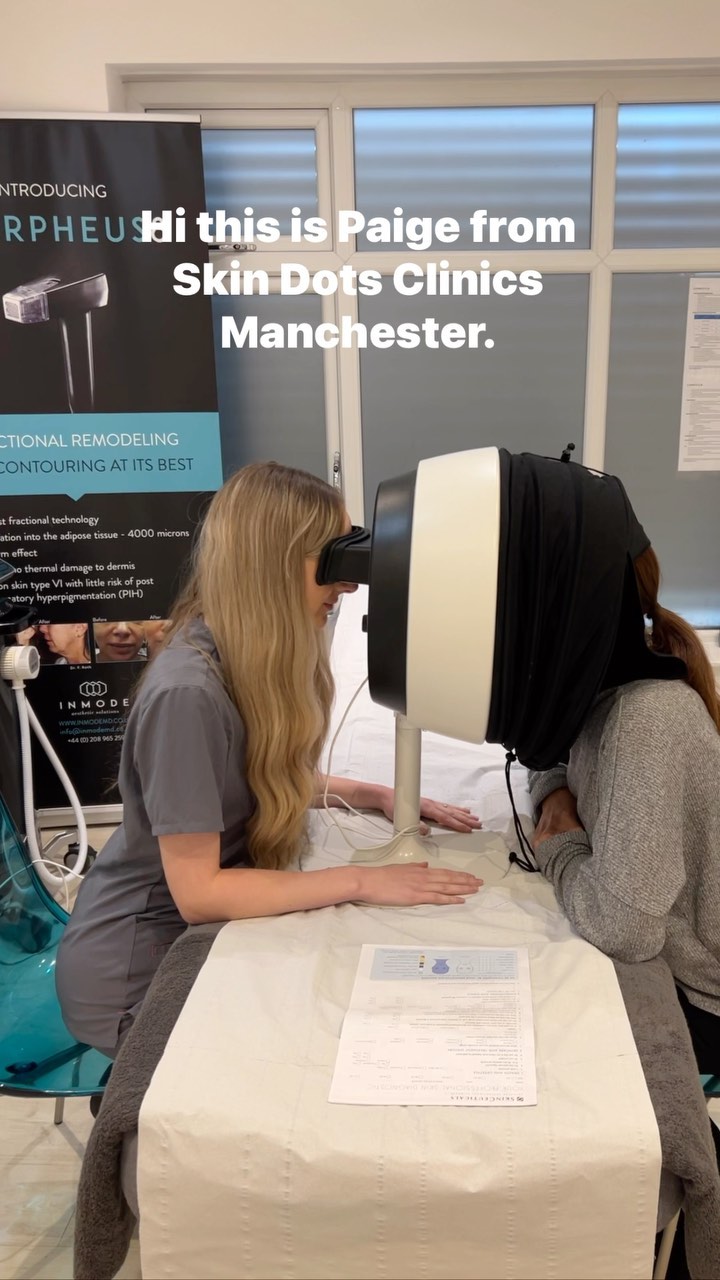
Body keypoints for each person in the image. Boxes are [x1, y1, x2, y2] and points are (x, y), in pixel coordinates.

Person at [56, 462, 482, 1058]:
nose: (348, 586)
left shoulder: (235, 656)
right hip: (137, 974)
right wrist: (362, 881)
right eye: (331, 561)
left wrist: (373, 795)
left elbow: (244, 778)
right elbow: (200, 893)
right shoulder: (188, 695)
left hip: (198, 934)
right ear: (273, 563)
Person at [530, 542, 720, 1082]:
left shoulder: (645, 718)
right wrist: (556, 796)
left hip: (702, 1001)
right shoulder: (596, 689)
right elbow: (544, 750)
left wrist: (560, 847)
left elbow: (623, 929)